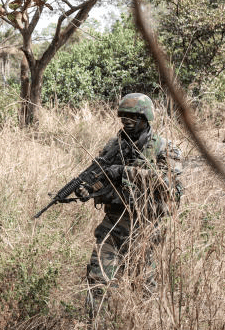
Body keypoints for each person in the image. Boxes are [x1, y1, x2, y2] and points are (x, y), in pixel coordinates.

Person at [76, 93, 183, 306]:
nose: (127, 121)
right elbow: (103, 177)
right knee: (98, 282)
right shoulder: (113, 146)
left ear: (145, 118)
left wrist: (125, 172)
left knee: (142, 288)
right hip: (112, 225)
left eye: (133, 116)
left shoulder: (163, 147)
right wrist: (90, 190)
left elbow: (168, 185)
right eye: (123, 116)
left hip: (144, 227)